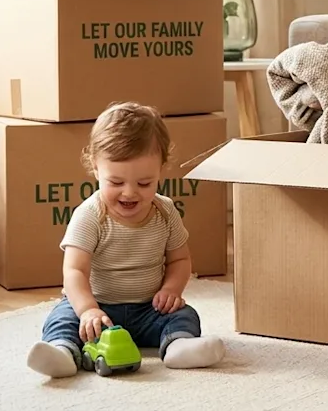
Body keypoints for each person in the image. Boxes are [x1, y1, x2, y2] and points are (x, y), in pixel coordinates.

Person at [26, 102, 226, 378]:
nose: (130, 193)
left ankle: (178, 346)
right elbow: (74, 270)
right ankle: (62, 352)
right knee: (62, 318)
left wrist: (171, 289)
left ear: (161, 169)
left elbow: (180, 259)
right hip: (98, 308)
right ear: (96, 169)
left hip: (149, 309)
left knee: (184, 314)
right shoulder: (90, 215)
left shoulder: (165, 211)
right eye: (116, 183)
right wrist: (87, 310)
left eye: (144, 183)